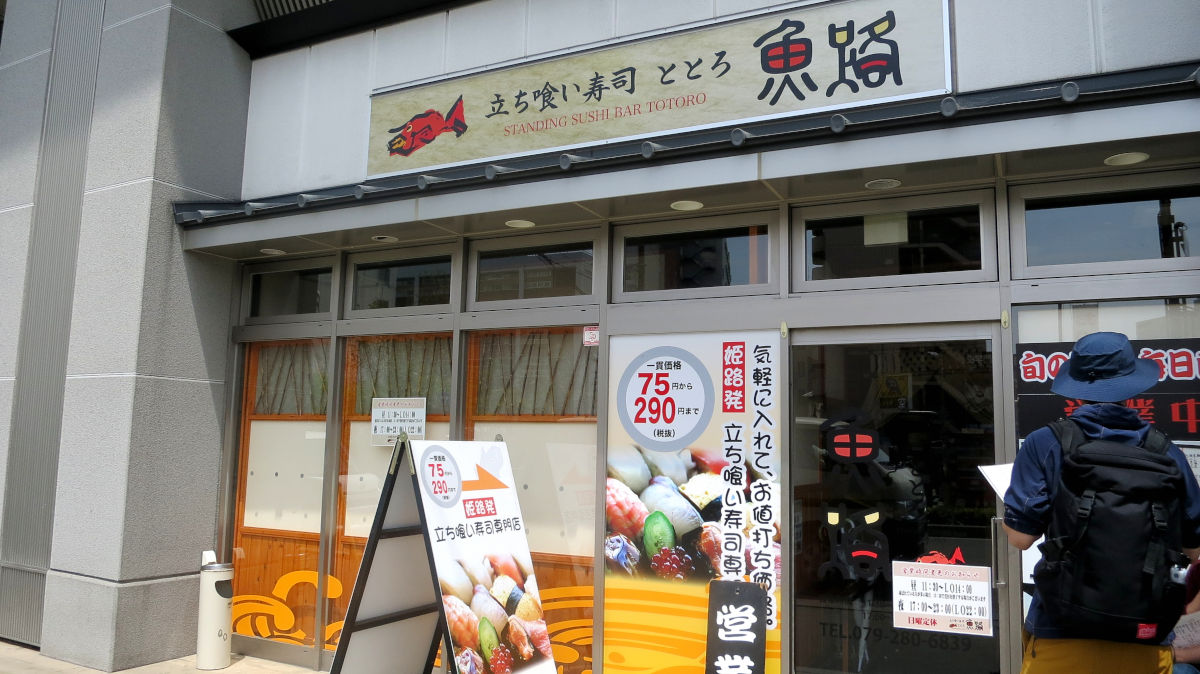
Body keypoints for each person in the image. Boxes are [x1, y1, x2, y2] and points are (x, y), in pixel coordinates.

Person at [1002, 331, 1200, 673]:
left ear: (1076, 386)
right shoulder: (1166, 451)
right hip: (1144, 635)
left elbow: (1021, 538)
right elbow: (1194, 550)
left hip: (1061, 628)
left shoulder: (1044, 443)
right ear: (1133, 385)